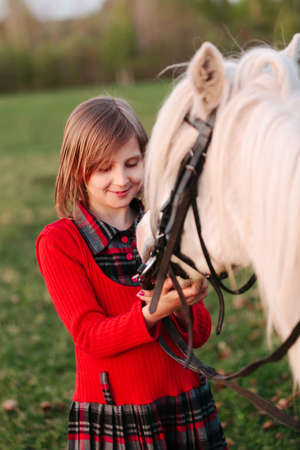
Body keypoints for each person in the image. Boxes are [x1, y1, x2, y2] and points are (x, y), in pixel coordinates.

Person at [36, 95, 227, 449]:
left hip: (183, 397)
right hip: (117, 413)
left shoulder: (165, 226)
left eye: (132, 163)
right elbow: (90, 336)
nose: (121, 179)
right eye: (104, 168)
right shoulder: (61, 242)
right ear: (79, 170)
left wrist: (187, 302)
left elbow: (198, 334)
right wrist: (156, 312)